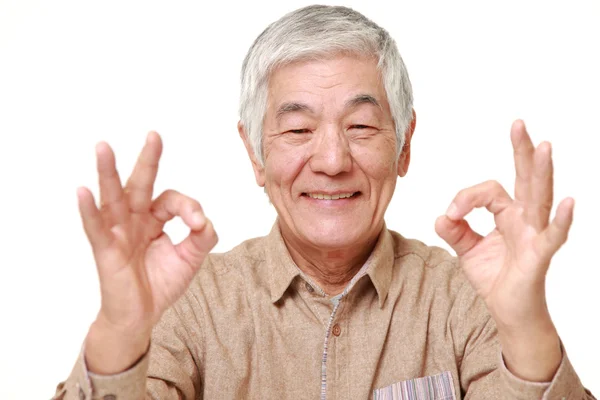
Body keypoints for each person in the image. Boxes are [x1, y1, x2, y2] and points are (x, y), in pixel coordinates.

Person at [53, 5, 595, 400]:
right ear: (254, 154)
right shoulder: (193, 302)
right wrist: (120, 328)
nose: (332, 159)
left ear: (404, 144)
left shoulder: (464, 296)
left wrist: (526, 323)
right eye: (297, 128)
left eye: (360, 125)